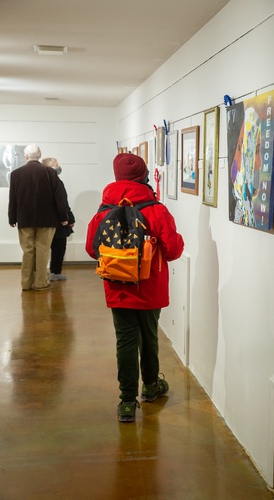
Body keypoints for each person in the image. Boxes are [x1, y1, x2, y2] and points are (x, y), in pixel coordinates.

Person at [86, 153, 184, 422]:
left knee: (125, 340)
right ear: (142, 175)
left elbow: (90, 249)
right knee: (149, 336)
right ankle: (151, 386)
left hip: (118, 286)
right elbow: (173, 250)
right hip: (151, 286)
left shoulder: (104, 209)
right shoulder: (156, 209)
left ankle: (127, 402)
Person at [8, 144, 68, 291]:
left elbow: (13, 199)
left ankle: (26, 283)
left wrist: (12, 217)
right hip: (47, 219)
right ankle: (41, 282)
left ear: (25, 156)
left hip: (25, 219)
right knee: (43, 249)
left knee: (28, 251)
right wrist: (63, 216)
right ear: (39, 155)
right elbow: (58, 198)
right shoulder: (50, 173)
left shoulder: (16, 174)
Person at [42, 158, 75, 281]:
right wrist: (68, 218)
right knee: (59, 247)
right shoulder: (57, 182)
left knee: (45, 248)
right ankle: (55, 272)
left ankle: (43, 272)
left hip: (46, 221)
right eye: (55, 166)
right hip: (59, 221)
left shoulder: (42, 182)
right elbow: (63, 203)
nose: (58, 167)